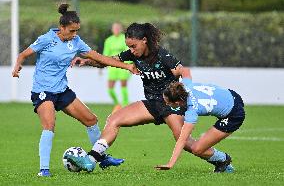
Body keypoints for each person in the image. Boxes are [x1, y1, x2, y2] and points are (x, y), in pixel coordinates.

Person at [67, 23, 225, 172]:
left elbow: (184, 72)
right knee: (114, 119)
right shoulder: (133, 54)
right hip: (152, 104)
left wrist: (188, 90)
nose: (132, 50)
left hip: (170, 105)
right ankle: (90, 160)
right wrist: (87, 61)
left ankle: (222, 160)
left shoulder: (162, 55)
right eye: (129, 47)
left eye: (133, 46)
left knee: (187, 144)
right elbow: (106, 62)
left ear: (144, 40)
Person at [11, 4, 137, 177]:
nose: (74, 34)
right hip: (43, 90)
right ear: (61, 28)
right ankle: (44, 170)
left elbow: (99, 57)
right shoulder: (47, 39)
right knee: (49, 125)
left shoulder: (76, 42)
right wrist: (17, 65)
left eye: (77, 31)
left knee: (91, 120)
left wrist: (126, 67)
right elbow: (24, 54)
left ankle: (102, 158)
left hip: (62, 90)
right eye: (71, 31)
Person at [155, 77, 245, 172]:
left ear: (177, 102)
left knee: (197, 149)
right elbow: (185, 73)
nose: (166, 104)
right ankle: (223, 164)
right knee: (197, 147)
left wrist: (170, 163)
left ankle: (223, 160)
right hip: (232, 95)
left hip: (233, 115)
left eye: (168, 103)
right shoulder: (184, 86)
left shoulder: (192, 110)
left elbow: (182, 139)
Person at [103, 22, 131, 112]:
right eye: (115, 28)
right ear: (112, 29)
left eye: (118, 28)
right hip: (112, 66)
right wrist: (103, 64)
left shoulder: (125, 39)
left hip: (123, 66)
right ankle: (117, 103)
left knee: (123, 85)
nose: (116, 30)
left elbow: (129, 53)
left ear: (121, 29)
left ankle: (125, 104)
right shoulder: (108, 40)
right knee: (110, 88)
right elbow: (105, 54)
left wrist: (129, 65)